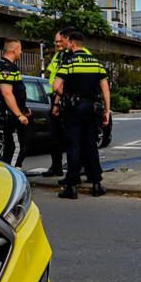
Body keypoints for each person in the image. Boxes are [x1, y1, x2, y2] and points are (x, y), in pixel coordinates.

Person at [53, 31, 111, 200]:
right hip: (92, 108)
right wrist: (107, 111)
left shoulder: (68, 62)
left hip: (74, 109)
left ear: (72, 44)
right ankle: (96, 184)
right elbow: (105, 89)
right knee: (91, 145)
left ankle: (72, 187)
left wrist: (66, 96)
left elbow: (56, 86)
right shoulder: (96, 62)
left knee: (74, 146)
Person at [0, 38, 31, 169]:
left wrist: (24, 108)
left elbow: (16, 92)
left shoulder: (9, 66)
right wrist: (19, 115)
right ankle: (13, 176)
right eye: (20, 49)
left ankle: (11, 172)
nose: (21, 52)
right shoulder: (6, 68)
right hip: (13, 117)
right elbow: (7, 93)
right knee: (16, 148)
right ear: (14, 50)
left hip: (14, 113)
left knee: (13, 147)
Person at [42, 31, 69, 177]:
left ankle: (74, 168)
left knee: (67, 136)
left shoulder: (68, 56)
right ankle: (56, 166)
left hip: (62, 99)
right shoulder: (58, 55)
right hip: (55, 98)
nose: (58, 44)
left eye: (60, 41)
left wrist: (57, 103)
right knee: (55, 136)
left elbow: (63, 81)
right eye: (56, 41)